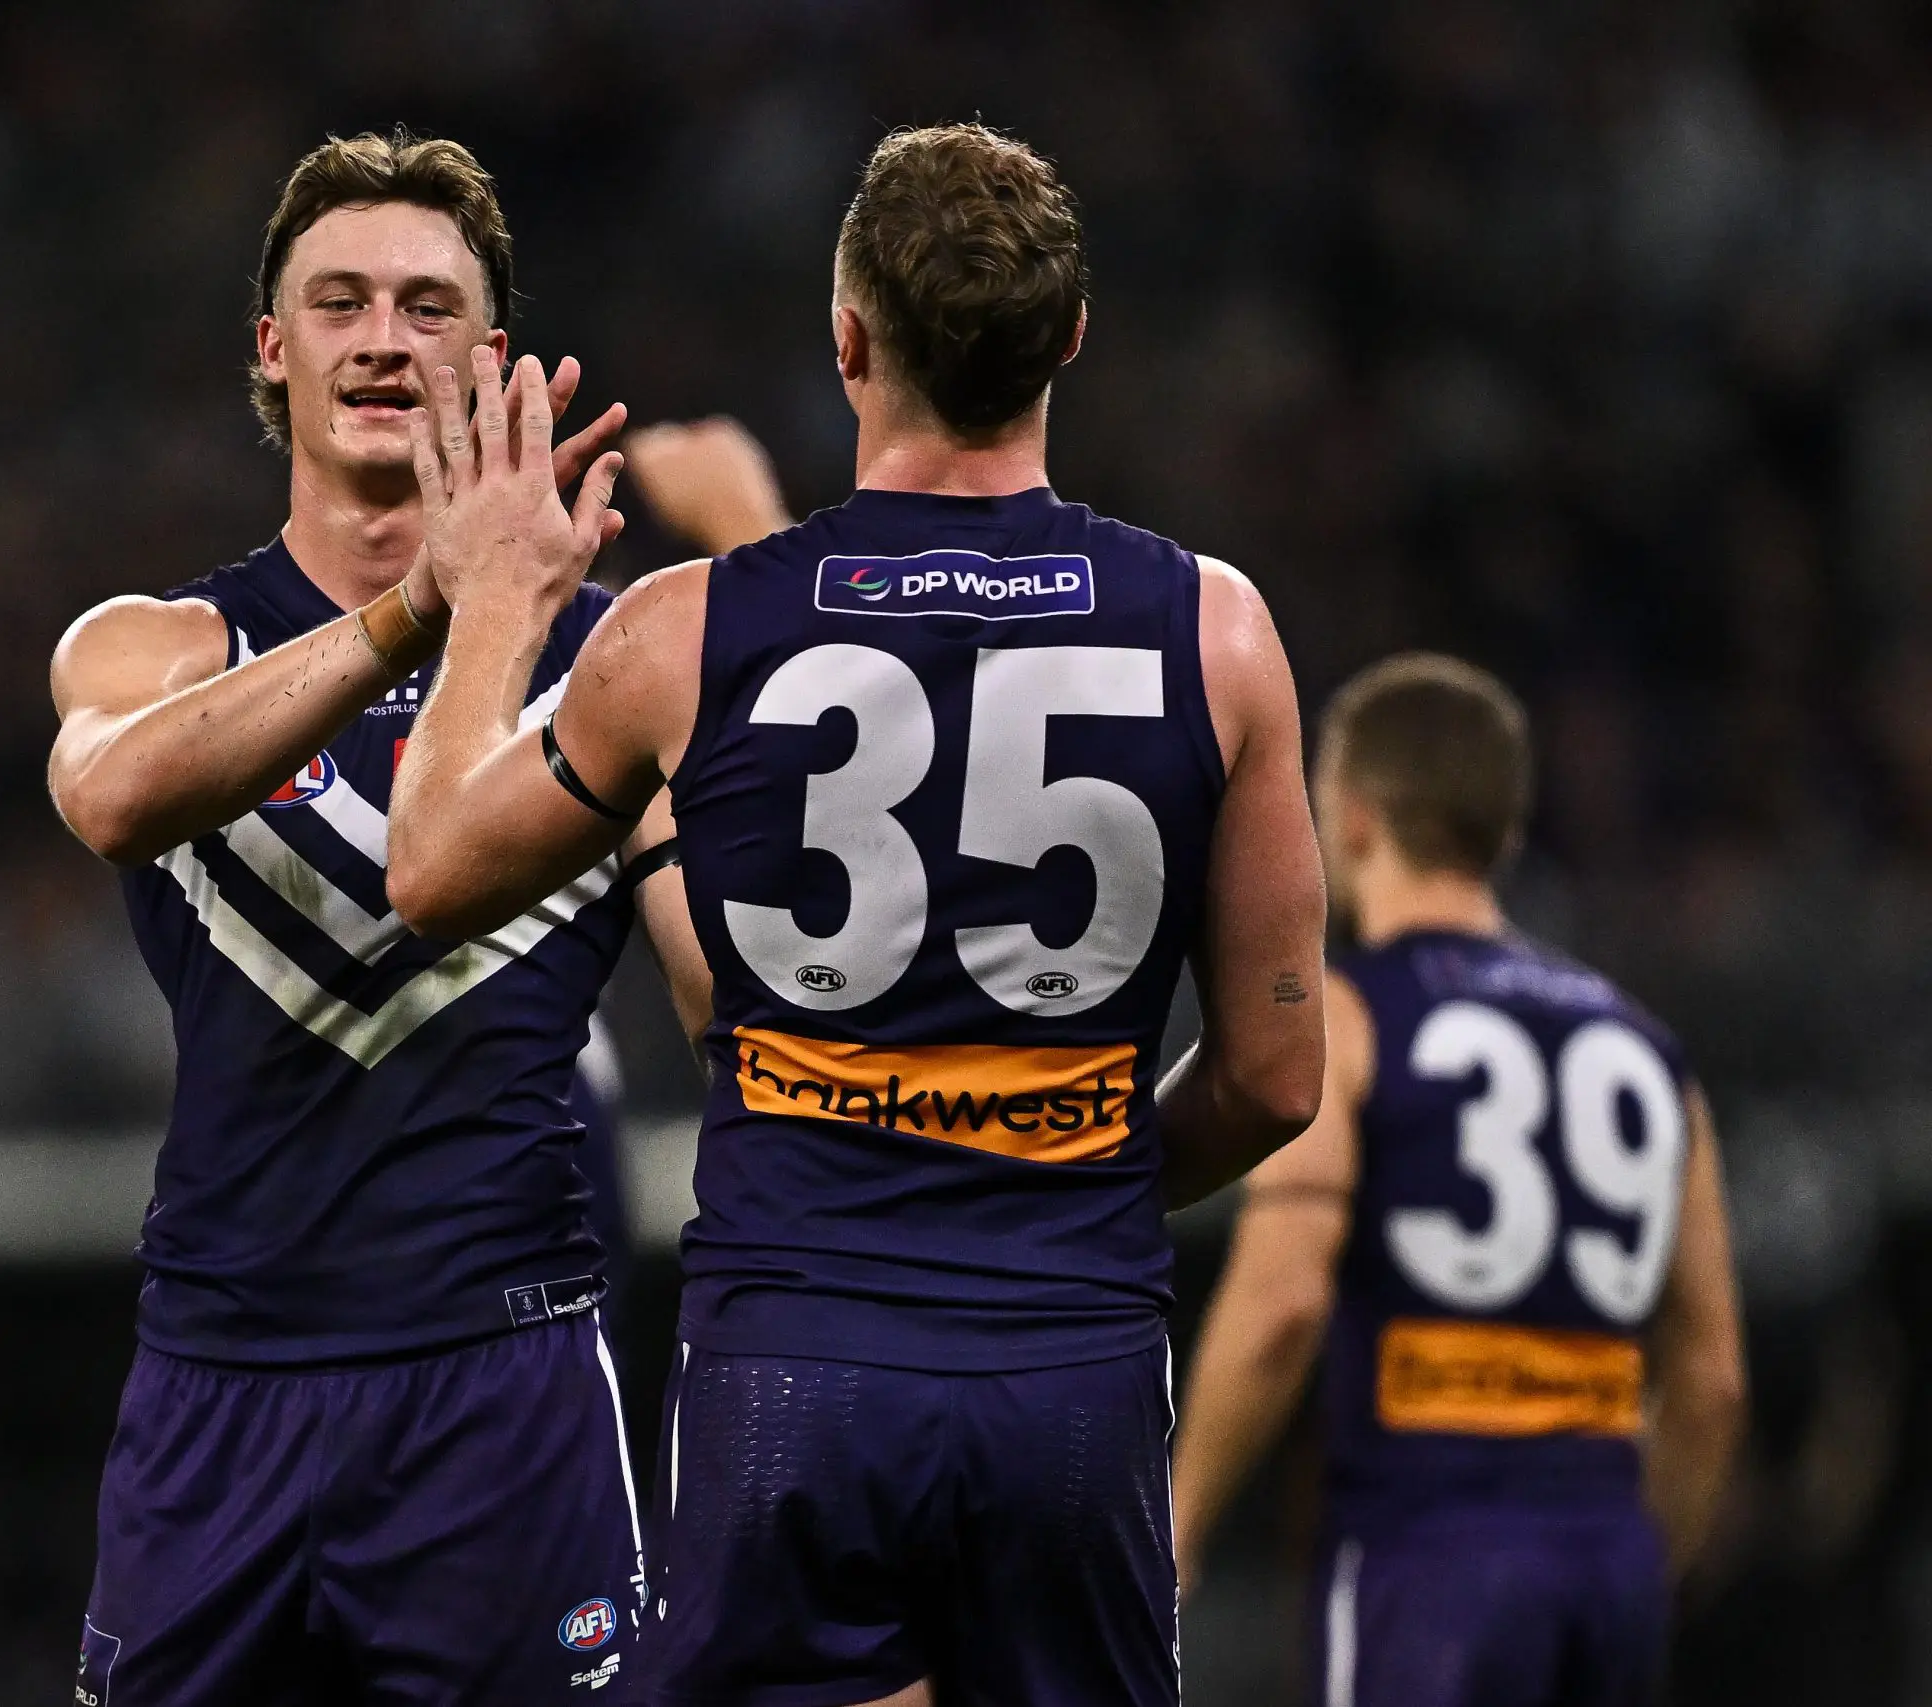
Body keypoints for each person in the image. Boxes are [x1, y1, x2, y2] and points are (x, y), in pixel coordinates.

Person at [384, 122, 1327, 1707]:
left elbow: (426, 866)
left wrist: (488, 598)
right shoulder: (1218, 631)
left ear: (846, 340)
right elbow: (1278, 1074)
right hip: (1071, 1367)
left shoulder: (687, 633)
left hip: (789, 1372)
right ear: (1071, 341)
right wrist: (1058, 1178)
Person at [46, 130, 705, 1707]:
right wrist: (431, 603)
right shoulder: (155, 642)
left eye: (427, 305)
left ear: (491, 356)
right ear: (275, 349)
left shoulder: (623, 667)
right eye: (338, 301)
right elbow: (115, 798)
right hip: (223, 1380)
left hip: (510, 1380)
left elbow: (733, 1009)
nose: (382, 338)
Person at [1168, 654, 1747, 1707]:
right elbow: (1710, 1380)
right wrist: (1636, 1568)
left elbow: (1283, 1303)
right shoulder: (1648, 1049)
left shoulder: (1346, 1020)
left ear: (1350, 820)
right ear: (1503, 831)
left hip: (1424, 1550)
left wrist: (1180, 1518)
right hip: (1607, 1559)